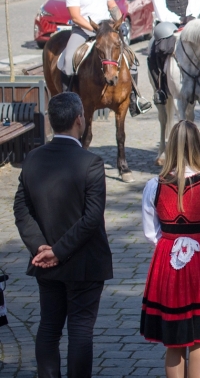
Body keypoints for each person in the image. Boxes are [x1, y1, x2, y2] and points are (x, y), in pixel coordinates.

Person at [13, 92, 113, 378]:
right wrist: (57, 251)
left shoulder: (32, 158)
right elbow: (92, 217)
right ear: (79, 119)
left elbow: (21, 209)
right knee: (80, 331)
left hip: (45, 262)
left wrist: (40, 248)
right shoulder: (90, 162)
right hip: (83, 262)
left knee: (48, 327)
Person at [140, 120, 200, 378]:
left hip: (167, 265)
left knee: (174, 340)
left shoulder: (153, 187)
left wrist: (172, 246)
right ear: (197, 148)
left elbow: (151, 233)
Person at [57, 0, 123, 92]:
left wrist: (119, 23)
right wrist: (95, 30)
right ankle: (66, 96)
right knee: (68, 59)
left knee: (129, 56)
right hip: (83, 30)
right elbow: (75, 17)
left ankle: (135, 98)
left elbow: (112, 6)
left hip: (106, 29)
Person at [149, 0, 200, 105]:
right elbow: (161, 12)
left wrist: (189, 19)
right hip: (168, 26)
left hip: (189, 23)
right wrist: (179, 20)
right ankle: (160, 88)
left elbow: (196, 3)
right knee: (154, 50)